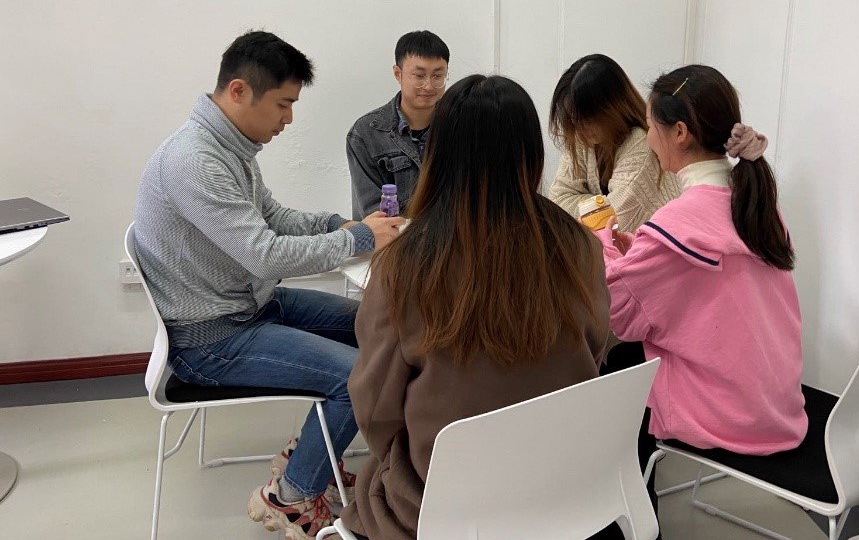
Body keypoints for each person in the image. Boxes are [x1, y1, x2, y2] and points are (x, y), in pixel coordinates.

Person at [133, 31, 404, 540]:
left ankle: (310, 456)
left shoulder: (229, 148)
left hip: (249, 305)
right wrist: (360, 238)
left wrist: (338, 225)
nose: (289, 119)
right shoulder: (195, 161)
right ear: (239, 91)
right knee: (357, 377)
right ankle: (292, 495)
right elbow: (265, 253)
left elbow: (273, 218)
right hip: (212, 338)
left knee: (376, 324)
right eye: (283, 104)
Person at [338, 75, 611, 540]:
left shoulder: (404, 264)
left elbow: (376, 409)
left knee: (371, 489)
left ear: (439, 154)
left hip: (446, 501)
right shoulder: (579, 246)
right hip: (565, 486)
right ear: (532, 155)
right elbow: (597, 347)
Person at [596, 64, 807, 458]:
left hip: (726, 415)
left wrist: (603, 247)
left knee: (619, 364)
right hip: (775, 403)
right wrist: (639, 252)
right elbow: (705, 282)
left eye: (650, 127)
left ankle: (633, 490)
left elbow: (616, 310)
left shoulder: (678, 223)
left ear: (680, 132)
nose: (649, 140)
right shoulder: (756, 205)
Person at [549, 54, 681, 233]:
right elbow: (557, 201)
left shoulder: (641, 144)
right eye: (573, 118)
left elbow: (613, 223)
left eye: (588, 117)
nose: (579, 126)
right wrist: (599, 207)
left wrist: (587, 206)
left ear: (613, 107)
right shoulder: (582, 137)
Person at [345, 31, 450, 220]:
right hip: (392, 237)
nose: (428, 86)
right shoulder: (366, 134)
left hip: (451, 237)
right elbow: (373, 214)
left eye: (437, 76)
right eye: (419, 76)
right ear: (398, 74)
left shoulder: (459, 126)